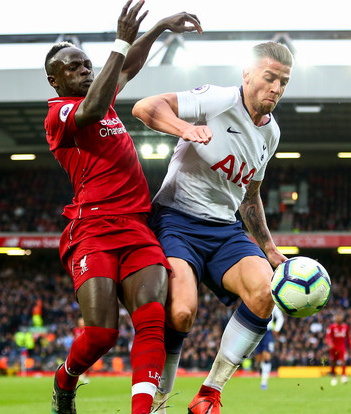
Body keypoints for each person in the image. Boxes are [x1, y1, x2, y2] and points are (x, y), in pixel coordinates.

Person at [43, 2, 202, 413]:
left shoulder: (102, 96)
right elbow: (92, 107)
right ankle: (65, 382)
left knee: (151, 318)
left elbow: (127, 66)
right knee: (101, 334)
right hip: (92, 230)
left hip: (136, 227)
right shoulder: (59, 114)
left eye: (87, 64)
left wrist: (160, 29)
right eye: (73, 67)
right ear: (54, 79)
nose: (84, 69)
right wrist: (119, 40)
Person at [132, 41, 293, 414]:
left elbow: (250, 195)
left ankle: (209, 394)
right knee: (182, 312)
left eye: (283, 82)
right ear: (247, 74)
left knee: (264, 290)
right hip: (176, 219)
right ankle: (158, 403)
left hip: (225, 229)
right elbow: (144, 107)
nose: (276, 88)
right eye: (269, 78)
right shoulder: (218, 100)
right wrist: (184, 128)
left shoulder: (271, 134)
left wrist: (269, 249)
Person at [254, 306, 284, 390]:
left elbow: (280, 318)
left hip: (268, 333)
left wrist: (276, 329)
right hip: (257, 331)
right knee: (259, 358)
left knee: (266, 357)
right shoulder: (257, 301)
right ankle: (261, 369)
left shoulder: (273, 305)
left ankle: (264, 382)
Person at [326, 312, 351, 386]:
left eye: (340, 317)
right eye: (337, 317)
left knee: (343, 361)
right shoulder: (332, 327)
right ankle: (334, 378)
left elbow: (348, 338)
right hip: (334, 347)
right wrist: (329, 344)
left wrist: (350, 347)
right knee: (333, 362)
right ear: (335, 318)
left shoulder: (346, 327)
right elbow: (328, 337)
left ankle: (343, 376)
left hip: (342, 347)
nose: (339, 318)